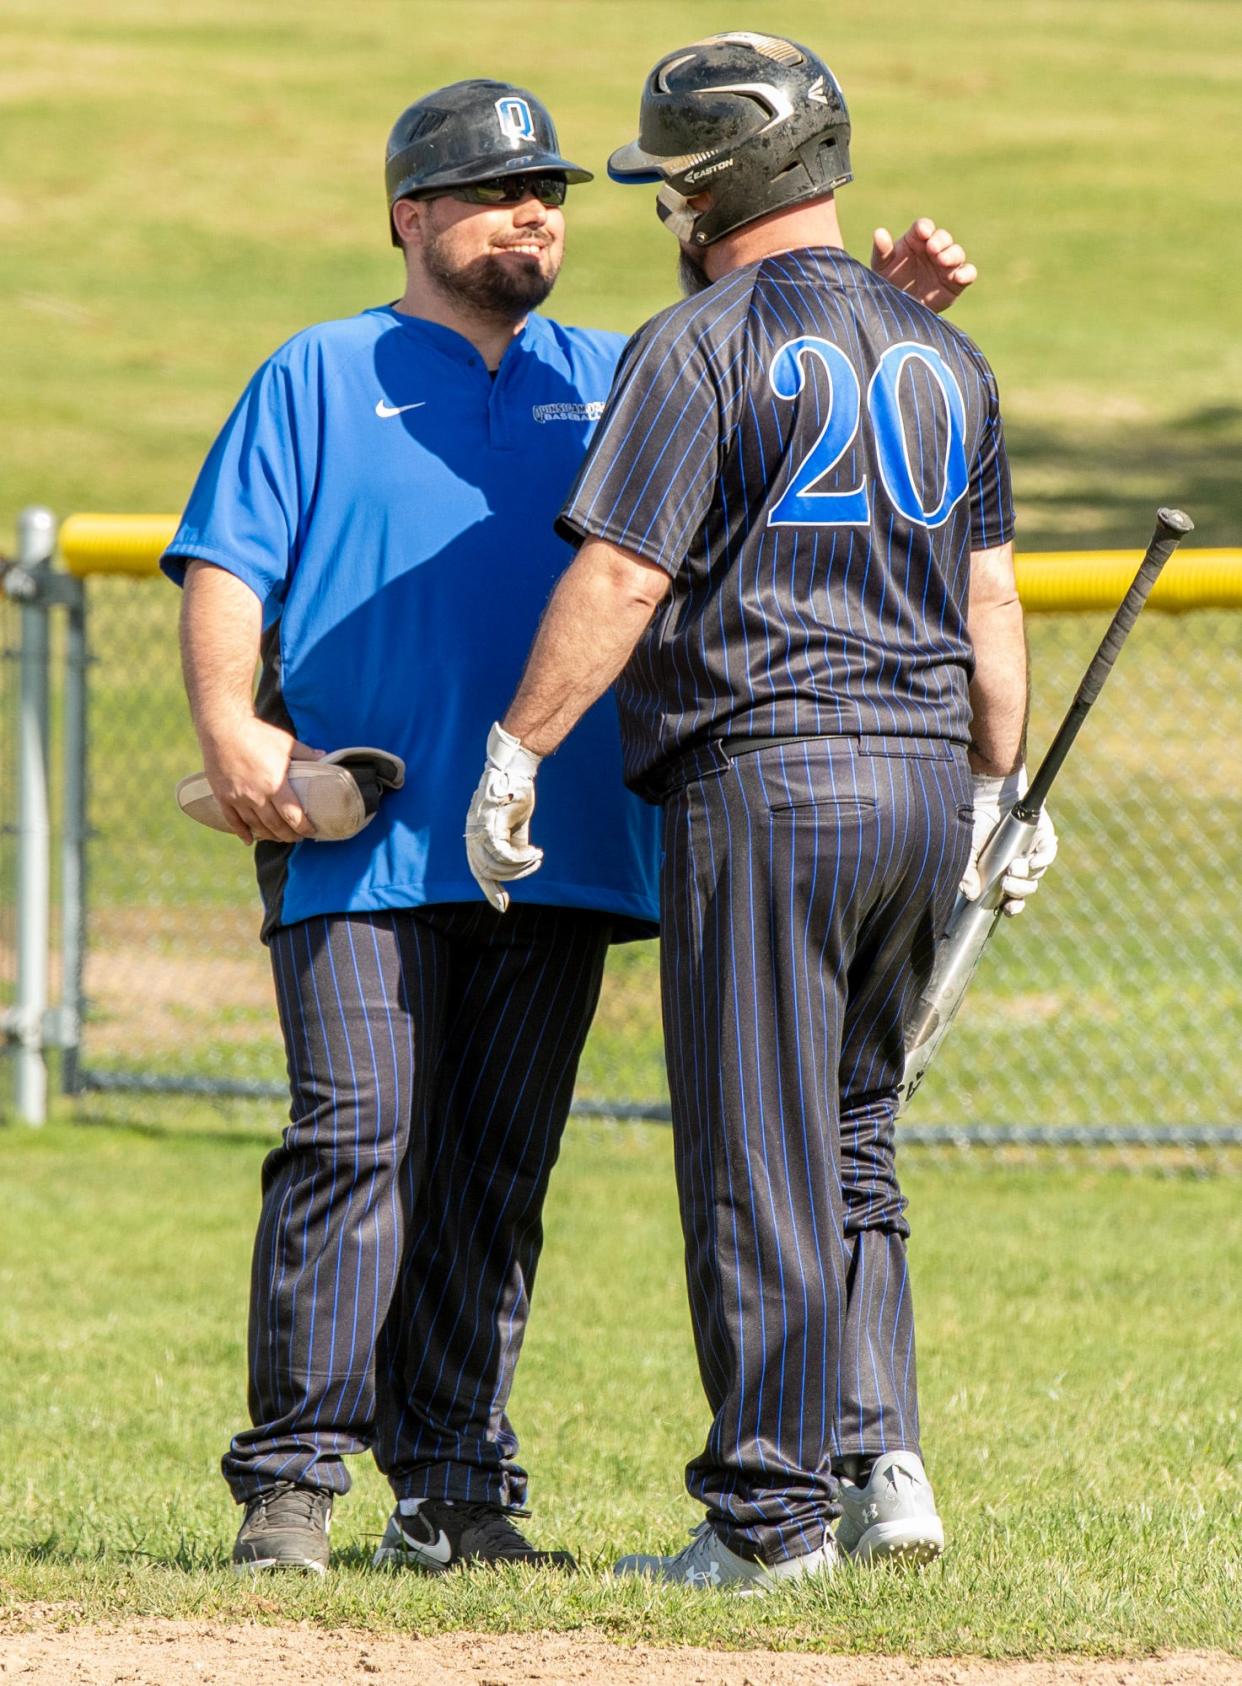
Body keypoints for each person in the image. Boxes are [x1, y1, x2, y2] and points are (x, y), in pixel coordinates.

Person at [166, 71, 983, 1578]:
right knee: (356, 1141)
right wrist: (237, 738)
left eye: (548, 189)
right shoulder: (317, 369)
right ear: (411, 215)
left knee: (495, 1169)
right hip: (362, 826)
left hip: (559, 845)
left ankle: (454, 1484)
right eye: (492, 189)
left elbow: (775, 405)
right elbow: (226, 563)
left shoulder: (623, 366)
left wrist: (867, 312)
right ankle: (291, 1483)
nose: (532, 210)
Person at [466, 31, 1057, 1593]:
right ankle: (880, 1466)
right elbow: (988, 592)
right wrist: (1001, 783)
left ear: (708, 181)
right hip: (926, 778)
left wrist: (519, 749)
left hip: (771, 771)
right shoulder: (946, 352)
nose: (660, 207)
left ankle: (764, 1515)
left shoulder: (699, 342)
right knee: (852, 1136)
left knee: (750, 1148)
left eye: (666, 179)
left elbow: (622, 571)